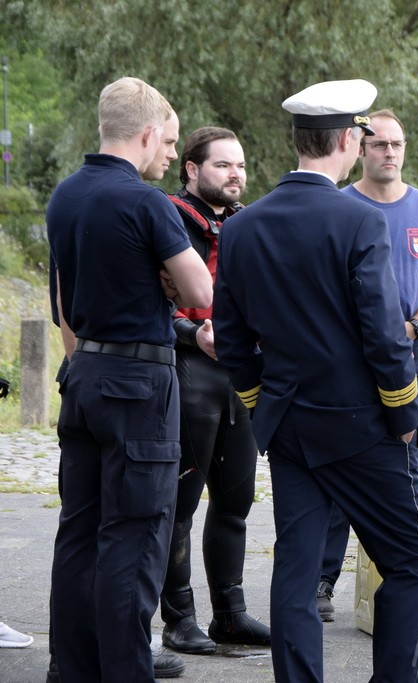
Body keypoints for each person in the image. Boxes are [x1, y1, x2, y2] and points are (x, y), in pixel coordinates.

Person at [212, 79, 418, 682]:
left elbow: (232, 341)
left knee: (295, 568)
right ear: (347, 140)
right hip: (363, 424)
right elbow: (384, 334)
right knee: (414, 562)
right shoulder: (360, 220)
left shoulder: (241, 227)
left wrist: (266, 405)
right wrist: (403, 415)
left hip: (288, 423)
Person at [47, 76, 212, 680]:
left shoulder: (64, 195)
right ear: (146, 134)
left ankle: (70, 669)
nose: (169, 154)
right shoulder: (146, 202)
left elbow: (63, 299)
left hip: (84, 371)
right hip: (139, 380)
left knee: (79, 533)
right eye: (166, 142)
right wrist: (166, 278)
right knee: (136, 536)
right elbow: (201, 291)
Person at [316, 109, 418, 621]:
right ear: (359, 147)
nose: (390, 152)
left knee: (404, 462)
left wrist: (414, 326)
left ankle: (408, 583)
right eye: (379, 145)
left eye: (397, 144)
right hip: (348, 356)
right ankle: (322, 583)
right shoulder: (336, 205)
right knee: (339, 460)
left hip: (409, 352)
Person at [156, 127, 272, 653]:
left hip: (242, 376)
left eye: (240, 166)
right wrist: (190, 334)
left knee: (235, 502)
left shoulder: (251, 223)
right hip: (187, 369)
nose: (235, 174)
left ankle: (231, 613)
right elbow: (146, 303)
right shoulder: (166, 218)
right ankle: (179, 619)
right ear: (191, 168)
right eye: (223, 165)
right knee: (180, 504)